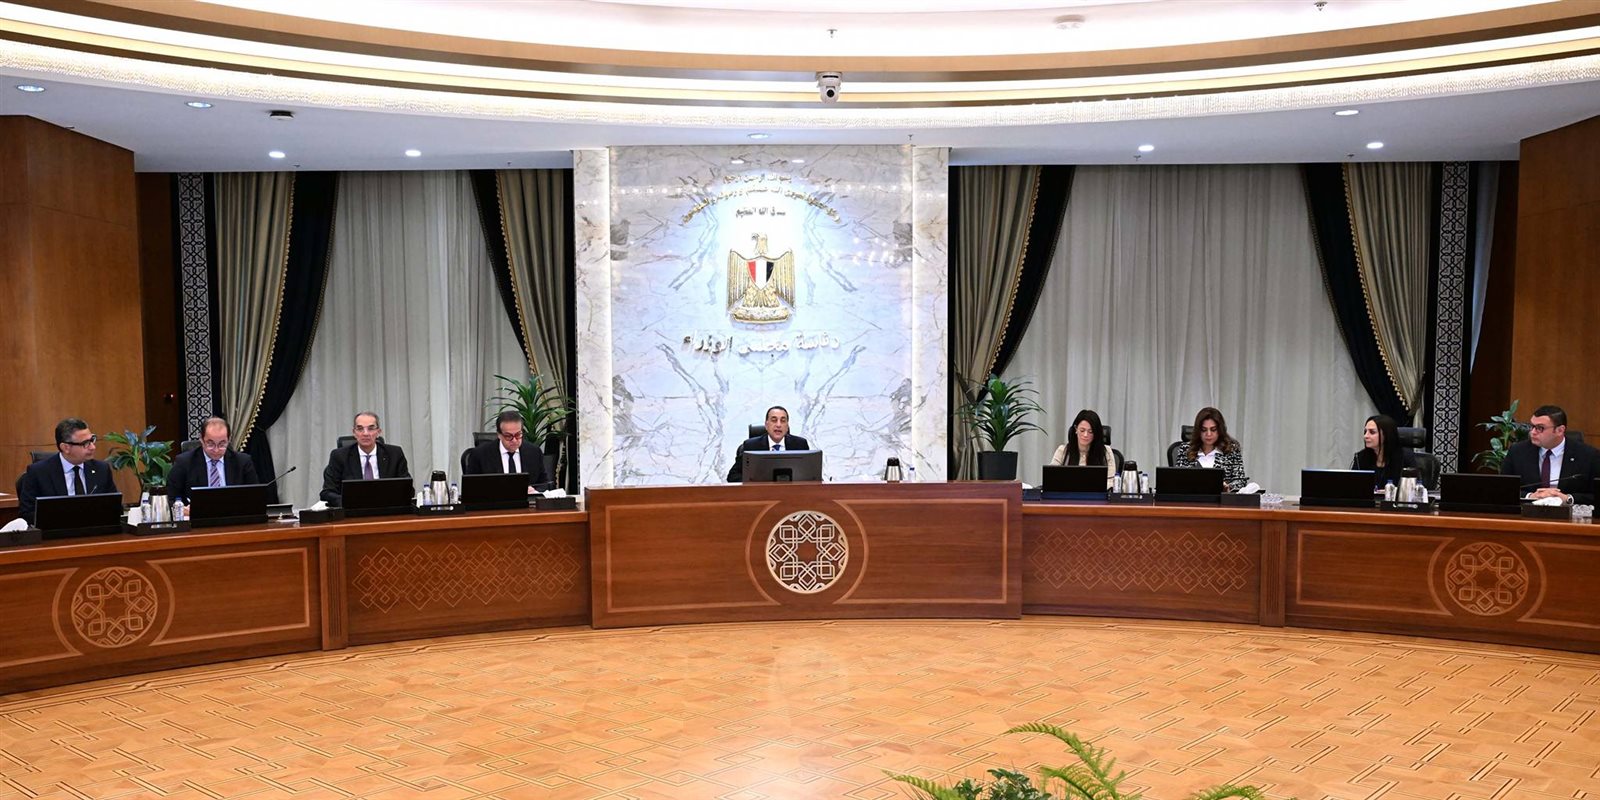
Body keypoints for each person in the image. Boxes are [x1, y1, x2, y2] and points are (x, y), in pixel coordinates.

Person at [15, 418, 119, 525]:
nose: (93, 447)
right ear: (66, 447)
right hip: (56, 532)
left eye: (92, 440)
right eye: (86, 443)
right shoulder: (39, 473)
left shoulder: (101, 470)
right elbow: (27, 514)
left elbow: (115, 508)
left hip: (95, 531)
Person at [1500, 404, 1597, 505]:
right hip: (1528, 512)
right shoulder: (1517, 452)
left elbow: (1596, 495)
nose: (1532, 432)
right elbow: (1503, 489)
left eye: (1540, 428)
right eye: (1532, 426)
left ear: (1560, 430)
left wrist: (1568, 498)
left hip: (1570, 513)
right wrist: (1530, 496)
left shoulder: (1588, 456)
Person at [319, 411, 411, 506]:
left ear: (378, 432)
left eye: (371, 428)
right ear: (354, 433)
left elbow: (407, 488)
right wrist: (347, 502)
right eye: (360, 429)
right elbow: (327, 492)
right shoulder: (339, 456)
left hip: (387, 508)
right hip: (352, 510)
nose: (365, 433)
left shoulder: (394, 454)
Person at [167, 416, 261, 502]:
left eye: (222, 444)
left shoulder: (243, 462)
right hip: (198, 514)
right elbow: (171, 498)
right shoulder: (184, 462)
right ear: (201, 439)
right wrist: (182, 509)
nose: (216, 450)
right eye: (210, 444)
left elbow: (255, 496)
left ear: (228, 440)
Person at [464, 410, 548, 490]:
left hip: (527, 500)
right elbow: (471, 488)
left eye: (518, 435)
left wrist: (534, 491)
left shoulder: (534, 452)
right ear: (499, 435)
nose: (514, 440)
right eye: (508, 436)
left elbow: (544, 484)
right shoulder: (480, 455)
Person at [1173, 406, 1249, 492]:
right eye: (1204, 430)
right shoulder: (1185, 449)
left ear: (1220, 430)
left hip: (1221, 498)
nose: (1208, 434)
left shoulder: (1231, 450)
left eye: (1213, 430)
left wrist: (1228, 487)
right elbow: (1177, 480)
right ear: (1198, 431)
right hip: (1192, 498)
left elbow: (1240, 481)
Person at [726, 406, 811, 482]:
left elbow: (811, 475)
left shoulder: (800, 445)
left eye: (783, 421)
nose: (778, 425)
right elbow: (733, 476)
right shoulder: (751, 446)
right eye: (774, 420)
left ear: (787, 426)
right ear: (766, 425)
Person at [1050, 409, 1117, 489]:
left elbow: (1111, 480)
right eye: (1082, 430)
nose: (1085, 435)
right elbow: (1052, 478)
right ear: (1076, 429)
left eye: (1090, 431)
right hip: (1068, 494)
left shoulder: (1106, 452)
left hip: (1096, 495)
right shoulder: (1062, 451)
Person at [1350, 413, 1417, 490]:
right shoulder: (1360, 457)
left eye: (1372, 432)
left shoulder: (1405, 457)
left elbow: (1414, 488)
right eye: (1365, 431)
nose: (1366, 436)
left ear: (1386, 434)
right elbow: (1352, 486)